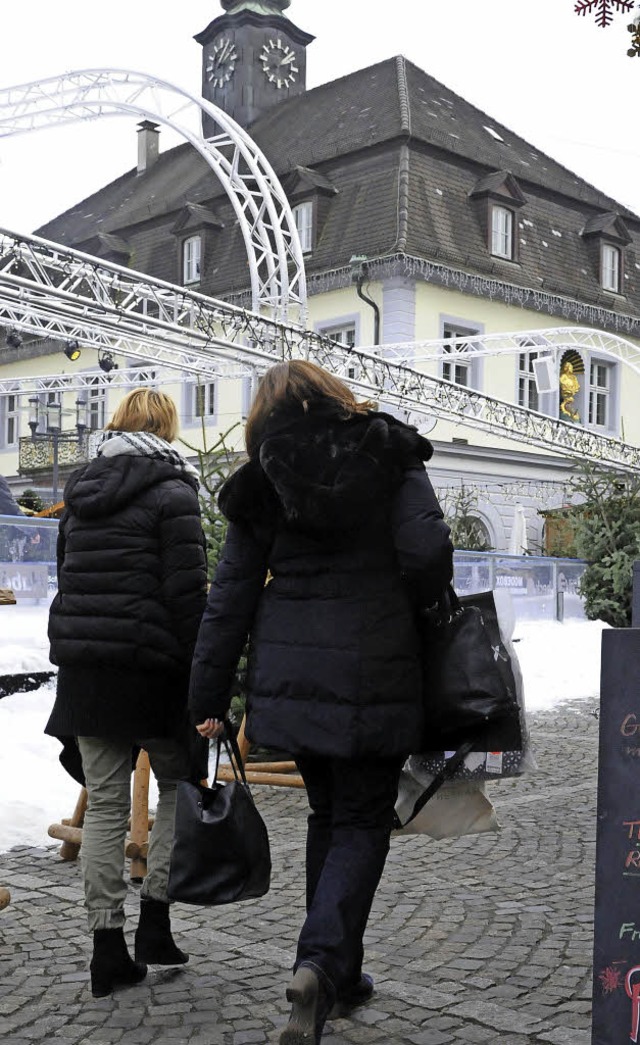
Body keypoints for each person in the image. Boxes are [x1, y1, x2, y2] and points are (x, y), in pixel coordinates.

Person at [188, 361, 453, 1045]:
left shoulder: (259, 481)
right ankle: (321, 960)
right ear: (331, 393)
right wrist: (423, 613)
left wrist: (209, 693)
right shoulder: (387, 446)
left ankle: (337, 971)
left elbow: (230, 596)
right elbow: (427, 550)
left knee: (327, 811)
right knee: (362, 819)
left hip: (292, 674)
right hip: (379, 662)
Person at [46, 388, 208, 998]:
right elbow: (186, 593)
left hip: (87, 669)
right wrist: (206, 673)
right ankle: (156, 923)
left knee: (108, 807)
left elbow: (69, 579)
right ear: (166, 428)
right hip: (150, 668)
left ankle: (106, 949)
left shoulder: (80, 495)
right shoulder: (174, 492)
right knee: (176, 783)